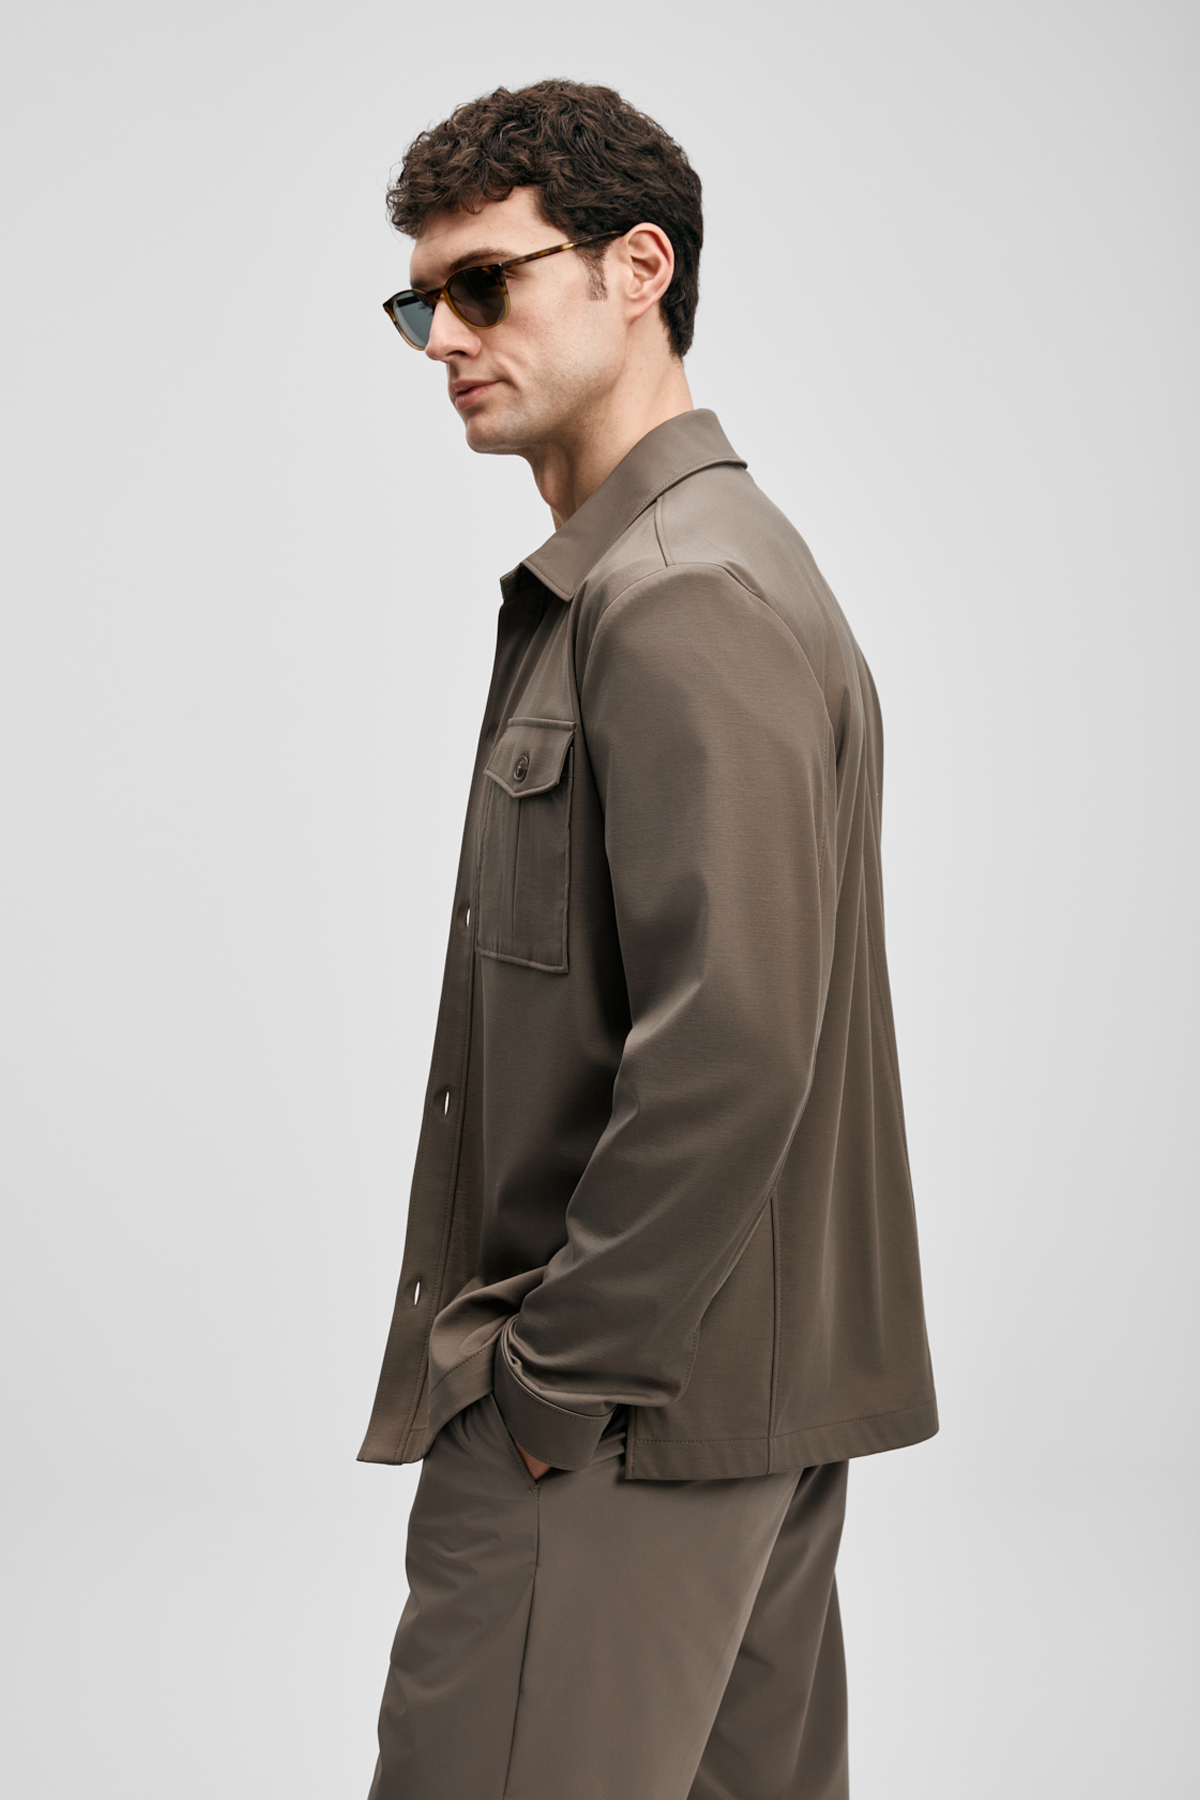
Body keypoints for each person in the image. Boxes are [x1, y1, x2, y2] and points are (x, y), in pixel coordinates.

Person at [359, 78, 937, 1800]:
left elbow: (734, 1043)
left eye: (485, 284)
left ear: (637, 269)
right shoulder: (673, 569)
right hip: (716, 1408)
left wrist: (549, 1387)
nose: (445, 338)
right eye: (421, 302)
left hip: (622, 1425)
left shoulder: (677, 588)